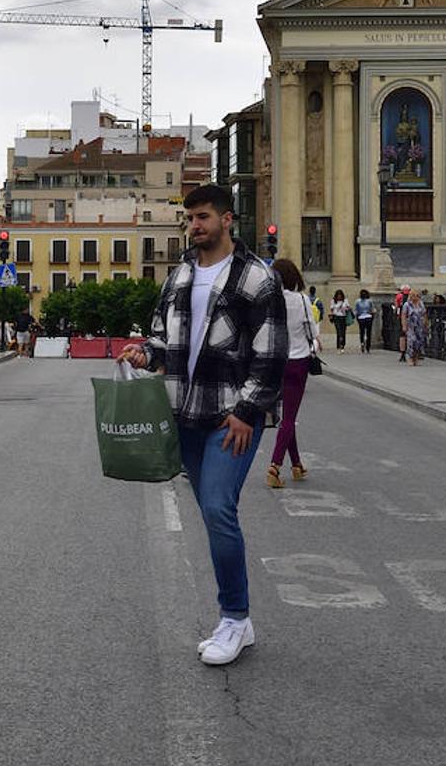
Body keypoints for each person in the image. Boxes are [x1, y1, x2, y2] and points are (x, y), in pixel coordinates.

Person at [120, 184, 286, 667]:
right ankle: (241, 620)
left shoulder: (256, 278)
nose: (195, 225)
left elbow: (270, 354)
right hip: (184, 415)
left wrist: (247, 412)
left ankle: (233, 617)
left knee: (217, 509)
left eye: (203, 217)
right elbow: (160, 337)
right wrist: (143, 352)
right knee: (213, 511)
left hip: (231, 417)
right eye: (190, 218)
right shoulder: (179, 275)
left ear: (227, 220)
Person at [266, 258, 318, 489]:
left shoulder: (269, 301)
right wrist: (314, 345)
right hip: (298, 361)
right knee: (289, 417)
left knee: (287, 415)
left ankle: (296, 464)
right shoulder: (301, 300)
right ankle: (275, 465)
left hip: (276, 362)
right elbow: (311, 330)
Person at [402, 288, 429, 366]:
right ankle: (410, 358)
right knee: (411, 341)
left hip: (419, 326)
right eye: (413, 295)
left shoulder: (420, 303)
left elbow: (424, 314)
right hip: (411, 325)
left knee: (418, 342)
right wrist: (404, 325)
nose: (414, 297)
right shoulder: (407, 304)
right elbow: (403, 315)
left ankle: (416, 358)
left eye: (416, 295)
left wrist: (426, 324)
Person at [354, 289, 375, 353]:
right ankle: (365, 345)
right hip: (366, 317)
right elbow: (372, 310)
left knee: (364, 332)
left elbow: (356, 311)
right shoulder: (368, 301)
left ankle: (364, 344)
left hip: (363, 317)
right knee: (366, 332)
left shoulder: (359, 301)